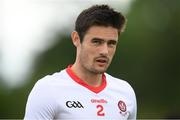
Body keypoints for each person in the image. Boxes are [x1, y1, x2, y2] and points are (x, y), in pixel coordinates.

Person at [24, 4, 137, 119]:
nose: (105, 51)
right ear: (76, 39)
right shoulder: (47, 89)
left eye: (111, 43)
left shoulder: (125, 92)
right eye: (97, 42)